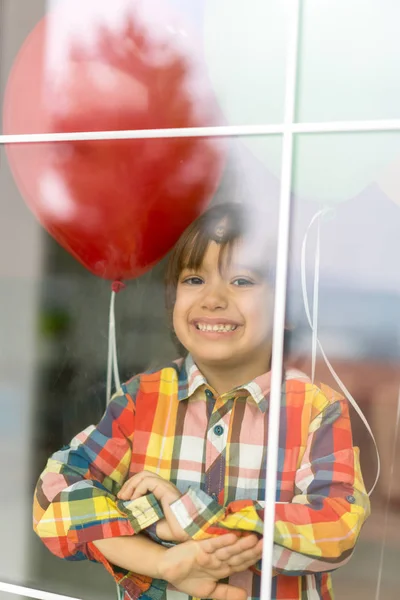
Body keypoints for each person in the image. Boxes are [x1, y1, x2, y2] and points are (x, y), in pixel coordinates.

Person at [33, 202, 370, 600]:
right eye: (194, 280)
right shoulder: (142, 399)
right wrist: (160, 559)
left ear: (287, 307)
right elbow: (54, 495)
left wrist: (185, 516)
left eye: (242, 281)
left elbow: (336, 529)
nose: (212, 299)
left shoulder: (316, 408)